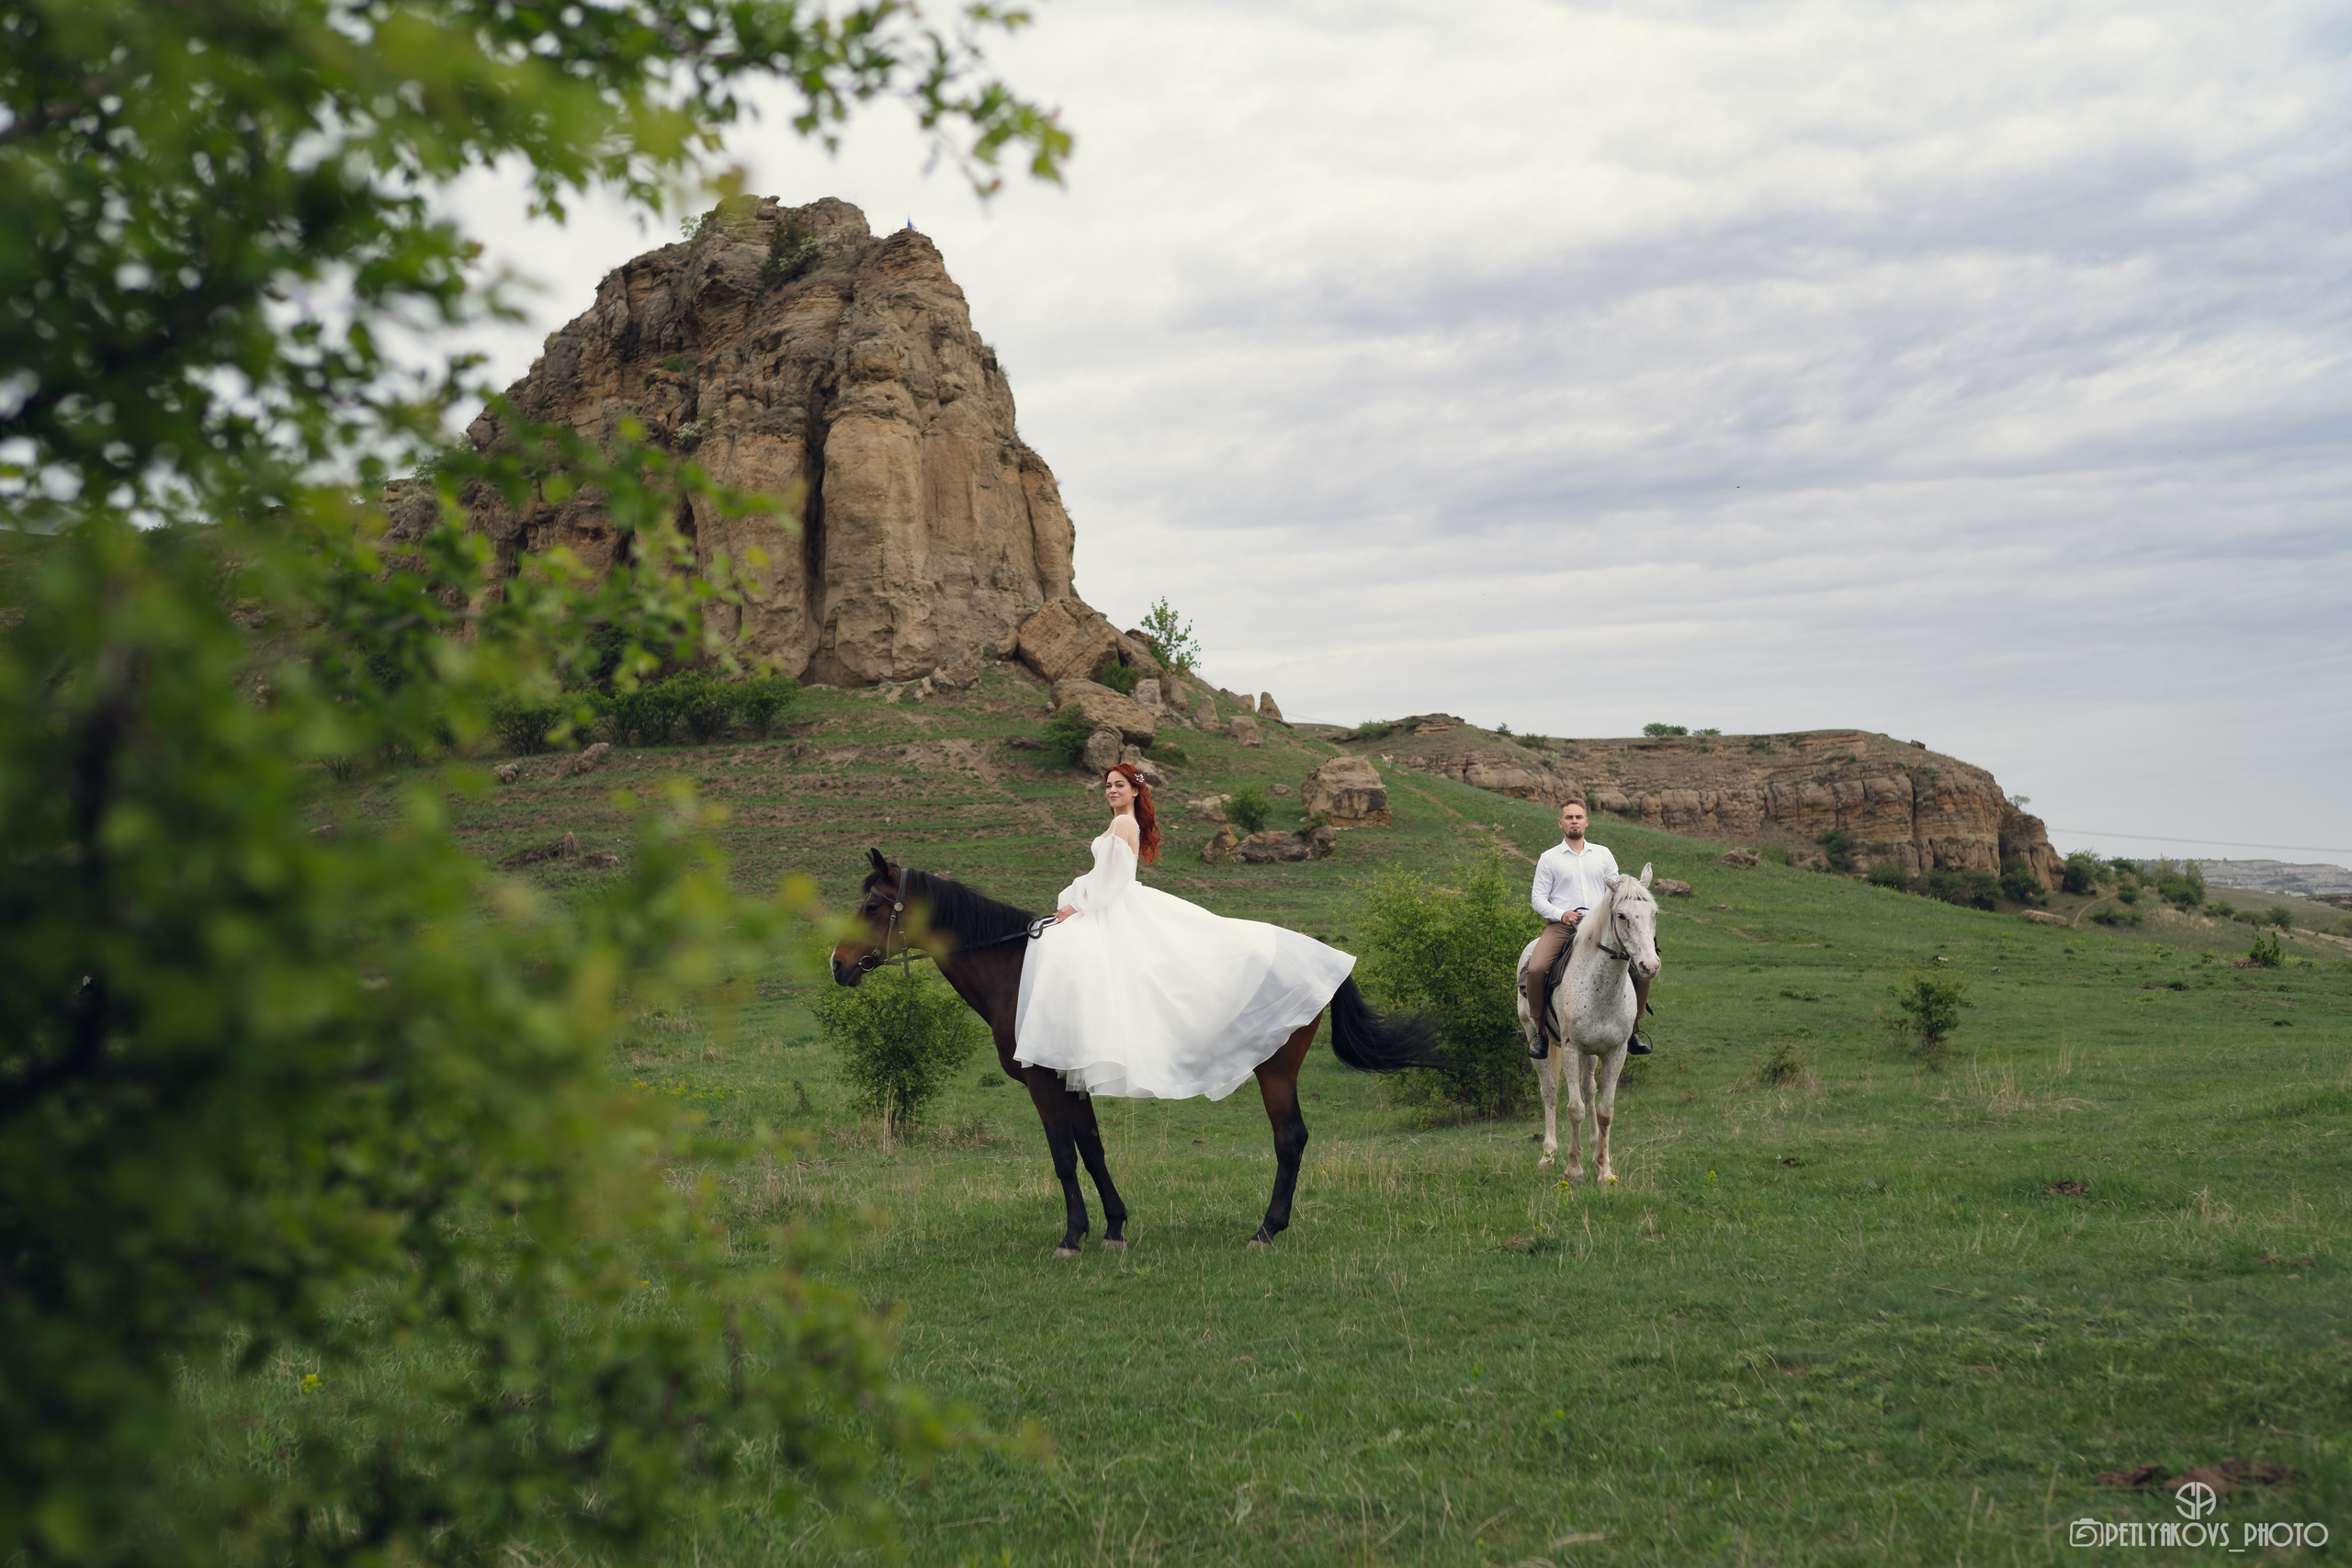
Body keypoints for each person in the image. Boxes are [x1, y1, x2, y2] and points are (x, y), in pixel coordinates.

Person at [1013, 763, 1359, 1100]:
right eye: (1108, 785)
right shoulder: (1118, 823)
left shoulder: (1122, 823)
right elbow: (1104, 873)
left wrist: (1079, 905)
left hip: (1115, 901)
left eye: (1119, 785)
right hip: (1110, 900)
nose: (1112, 791)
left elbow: (1114, 879)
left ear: (1135, 790)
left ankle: (1086, 1040)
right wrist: (1080, 895)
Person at [1523, 796, 1653, 1058]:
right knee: (1536, 969)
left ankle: (1633, 1028)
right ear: (1561, 823)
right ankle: (1540, 1033)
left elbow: (1617, 889)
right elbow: (1537, 898)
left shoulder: (1603, 854)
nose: (1574, 821)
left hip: (1600, 926)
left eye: (1578, 817)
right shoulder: (1549, 858)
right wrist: (1562, 914)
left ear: (1586, 822)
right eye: (1569, 817)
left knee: (1641, 966)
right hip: (1563, 925)